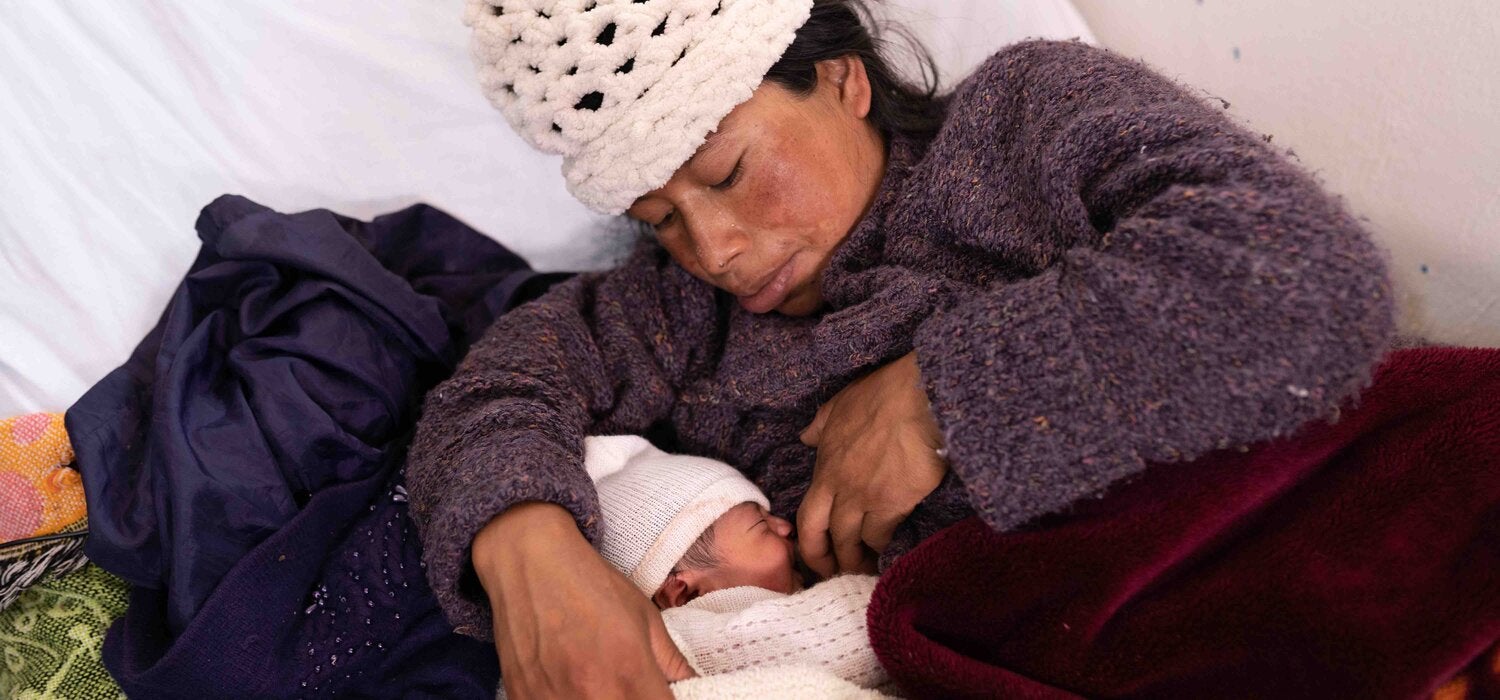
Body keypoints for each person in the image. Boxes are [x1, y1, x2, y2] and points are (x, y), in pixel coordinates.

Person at [408, 0, 1395, 696]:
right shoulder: (668, 312)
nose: (712, 250)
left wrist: (944, 395)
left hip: (1284, 558)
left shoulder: (1020, 126)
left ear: (840, 81)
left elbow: (1305, 277)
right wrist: (526, 545)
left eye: (730, 173)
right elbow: (494, 390)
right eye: (660, 217)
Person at [581, 435, 887, 690]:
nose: (786, 526)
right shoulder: (692, 635)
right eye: (763, 526)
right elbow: (851, 628)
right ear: (685, 593)